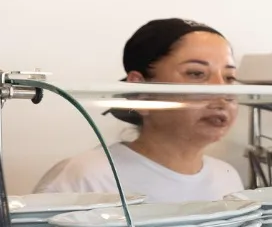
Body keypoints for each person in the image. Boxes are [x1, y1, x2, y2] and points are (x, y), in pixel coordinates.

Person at [36, 18, 245, 202]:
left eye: (230, 78)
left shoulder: (227, 178)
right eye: (196, 74)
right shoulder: (85, 178)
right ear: (140, 91)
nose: (223, 93)